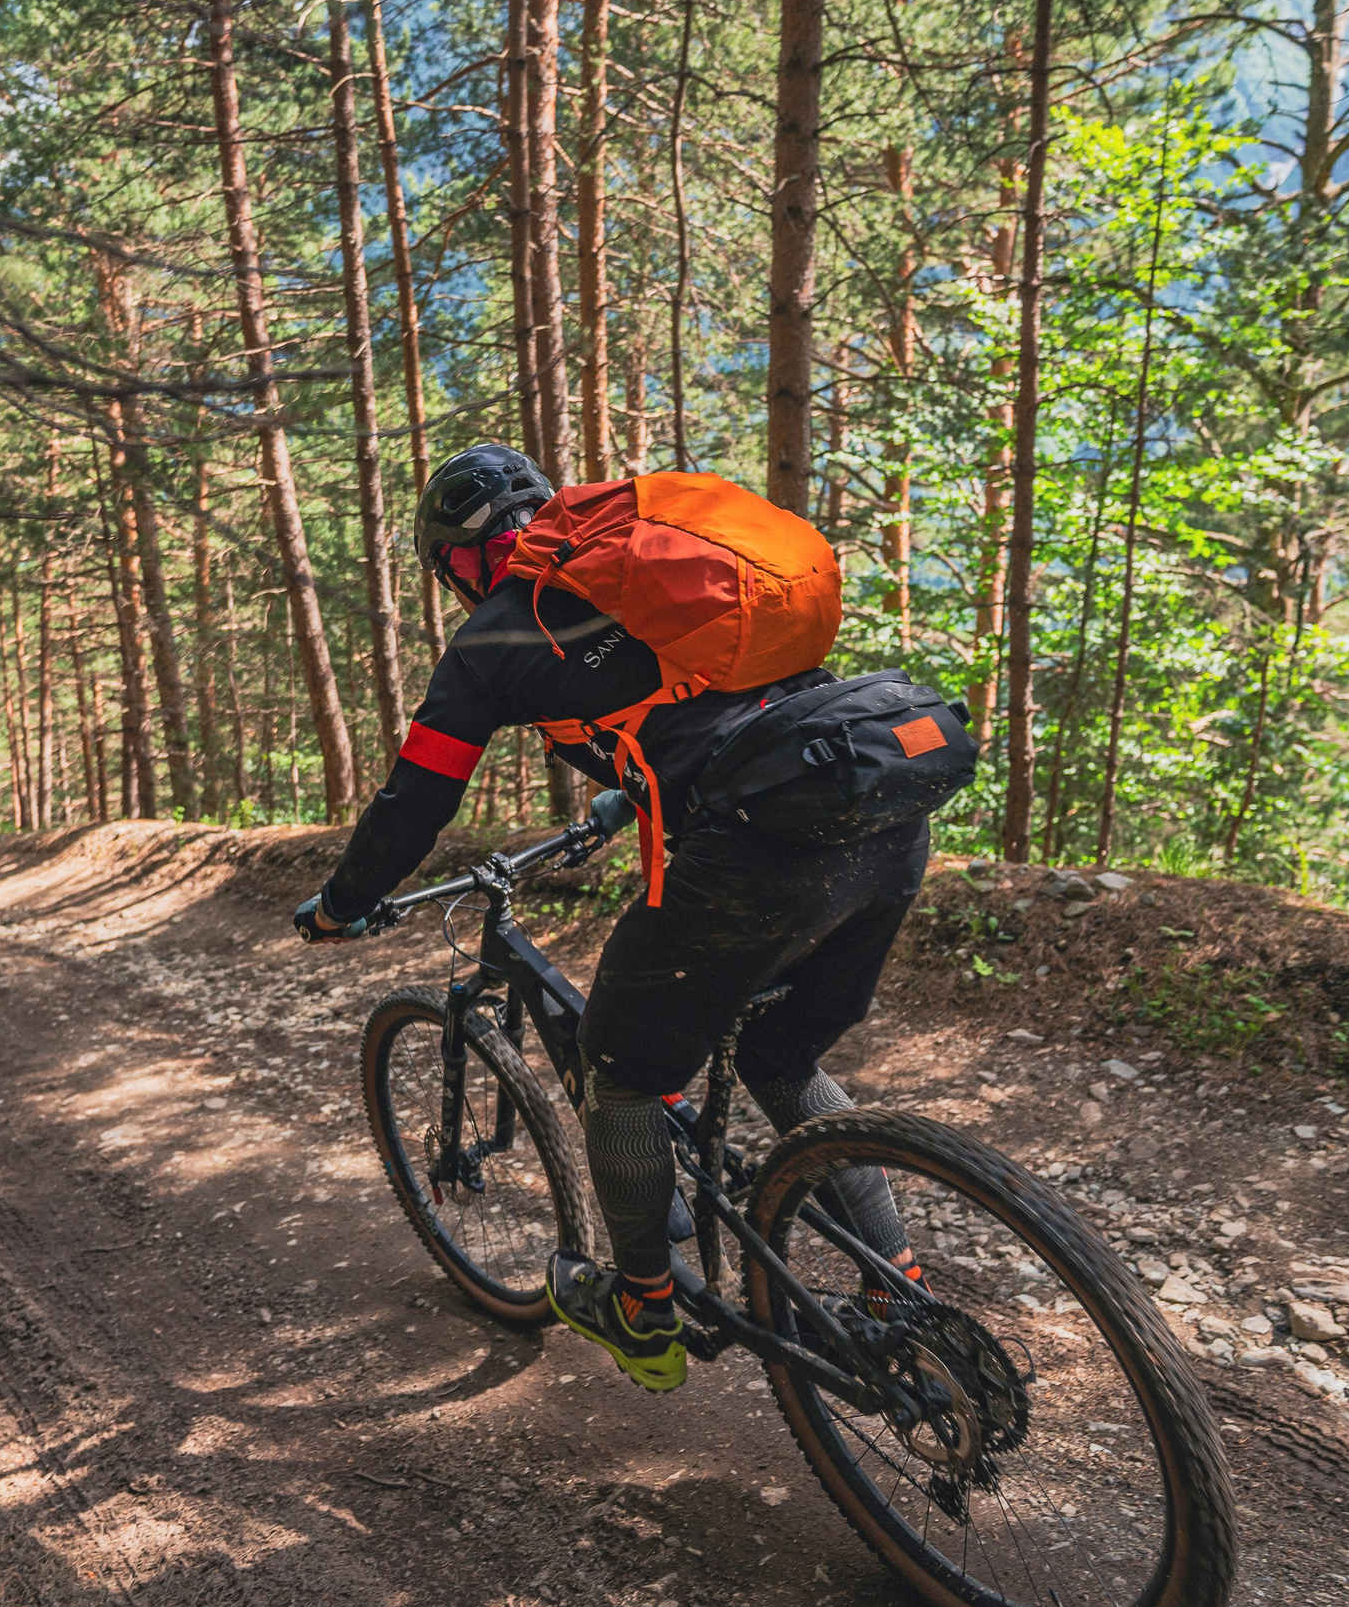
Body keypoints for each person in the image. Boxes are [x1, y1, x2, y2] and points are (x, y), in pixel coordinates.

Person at [295, 443, 923, 1393]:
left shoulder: (495, 638)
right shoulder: (670, 578)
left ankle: (642, 1307)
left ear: (461, 561)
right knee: (780, 1056)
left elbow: (414, 802)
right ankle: (899, 1288)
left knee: (622, 1074)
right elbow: (716, 710)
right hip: (883, 811)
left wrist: (344, 902)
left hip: (751, 855)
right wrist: (623, 800)